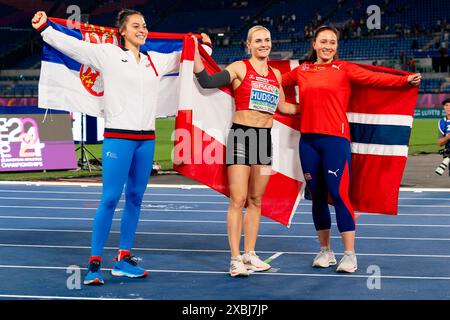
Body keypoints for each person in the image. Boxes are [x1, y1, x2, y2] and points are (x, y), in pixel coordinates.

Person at [32, 9, 212, 285]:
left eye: (145, 25)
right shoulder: (108, 54)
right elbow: (74, 46)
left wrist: (202, 43)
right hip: (118, 137)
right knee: (110, 198)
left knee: (136, 199)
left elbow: (185, 58)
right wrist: (45, 28)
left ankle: (123, 259)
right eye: (136, 25)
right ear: (123, 31)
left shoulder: (155, 61)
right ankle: (94, 264)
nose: (142, 29)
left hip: (146, 140)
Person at [282, 25, 421, 273]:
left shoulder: (344, 69)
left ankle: (350, 255)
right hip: (308, 142)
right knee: (316, 198)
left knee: (339, 194)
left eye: (332, 42)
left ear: (337, 46)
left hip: (336, 141)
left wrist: (404, 80)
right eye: (323, 41)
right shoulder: (302, 71)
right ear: (314, 44)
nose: (327, 46)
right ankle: (325, 252)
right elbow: (274, 82)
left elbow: (375, 79)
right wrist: (289, 105)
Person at [192, 25, 298, 277]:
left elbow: (283, 106)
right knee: (238, 199)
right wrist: (194, 50)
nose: (264, 44)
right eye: (258, 40)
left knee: (256, 200)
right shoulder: (240, 67)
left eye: (267, 40)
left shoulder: (276, 74)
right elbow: (207, 81)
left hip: (263, 139)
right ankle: (235, 258)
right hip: (242, 136)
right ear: (248, 44)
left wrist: (313, 107)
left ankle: (250, 254)